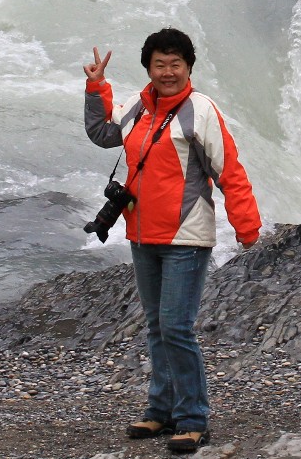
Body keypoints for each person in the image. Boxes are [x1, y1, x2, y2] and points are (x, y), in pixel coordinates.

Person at [84, 28, 261, 454]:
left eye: (176, 64)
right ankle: (160, 410)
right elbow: (101, 133)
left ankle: (193, 418)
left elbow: (229, 172)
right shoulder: (137, 107)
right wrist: (96, 86)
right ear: (148, 67)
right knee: (157, 325)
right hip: (142, 234)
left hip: (186, 237)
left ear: (188, 67)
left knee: (177, 328)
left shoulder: (201, 111)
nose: (168, 72)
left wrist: (246, 227)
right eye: (159, 64)